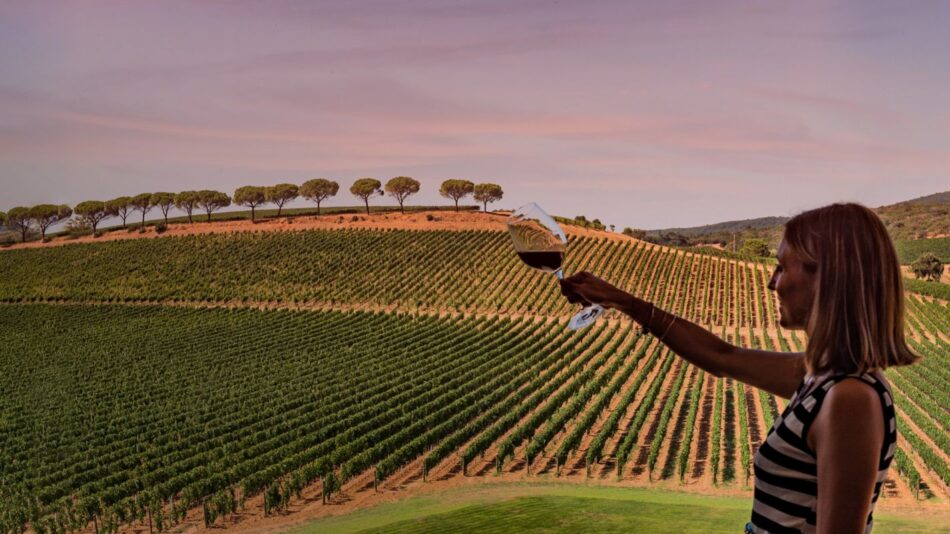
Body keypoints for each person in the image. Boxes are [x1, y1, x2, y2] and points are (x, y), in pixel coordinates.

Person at [560, 203, 919, 533]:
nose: (771, 283)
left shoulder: (849, 397)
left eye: (782, 267)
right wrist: (620, 301)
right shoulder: (821, 377)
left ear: (826, 277)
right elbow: (722, 357)